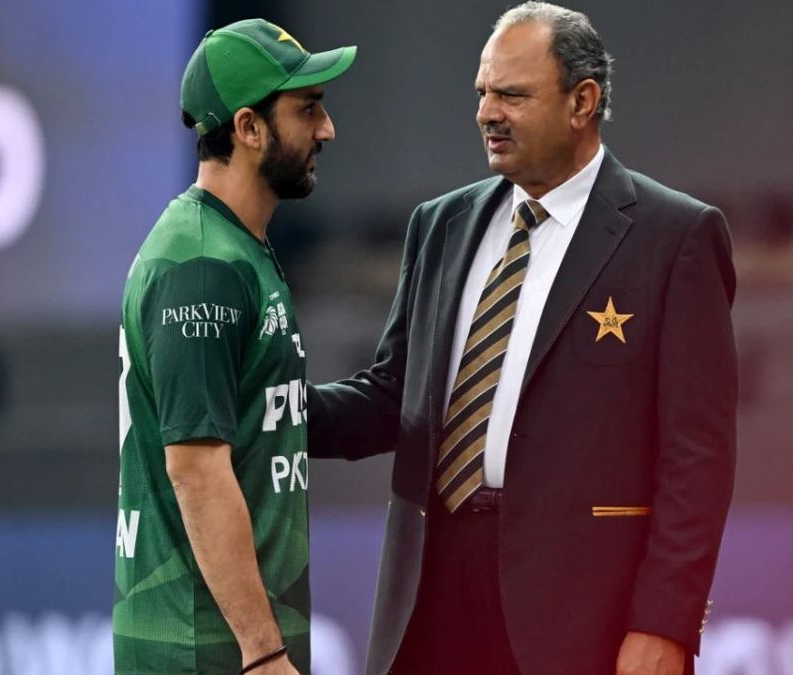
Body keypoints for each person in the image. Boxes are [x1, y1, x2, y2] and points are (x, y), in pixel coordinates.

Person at [308, 3, 736, 675]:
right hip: (430, 596)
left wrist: (665, 621)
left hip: (581, 613)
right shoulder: (440, 224)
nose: (487, 112)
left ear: (582, 102)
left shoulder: (674, 237)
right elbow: (394, 396)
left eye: (511, 94)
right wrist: (274, 406)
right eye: (482, 92)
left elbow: (698, 456)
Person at [113, 19, 355, 675]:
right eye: (307, 109)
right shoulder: (203, 264)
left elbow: (257, 412)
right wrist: (262, 650)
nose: (326, 129)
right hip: (207, 647)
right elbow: (195, 469)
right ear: (249, 128)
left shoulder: (232, 245)